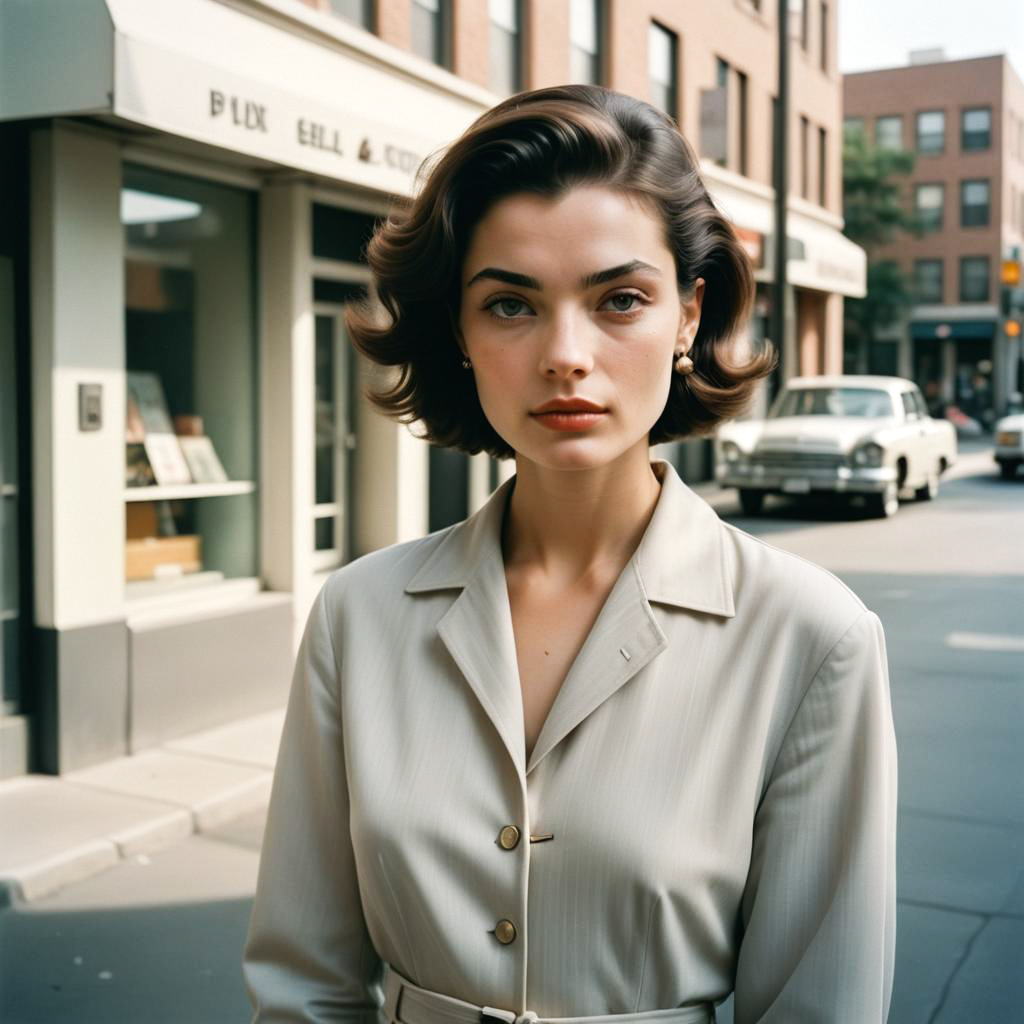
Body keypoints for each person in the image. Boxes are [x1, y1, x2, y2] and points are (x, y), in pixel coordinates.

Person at [243, 85, 897, 1024]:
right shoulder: (359, 614)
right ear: (461, 335)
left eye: (619, 299)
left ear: (686, 316)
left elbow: (820, 1008)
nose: (565, 354)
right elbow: (302, 983)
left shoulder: (811, 637)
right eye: (510, 305)